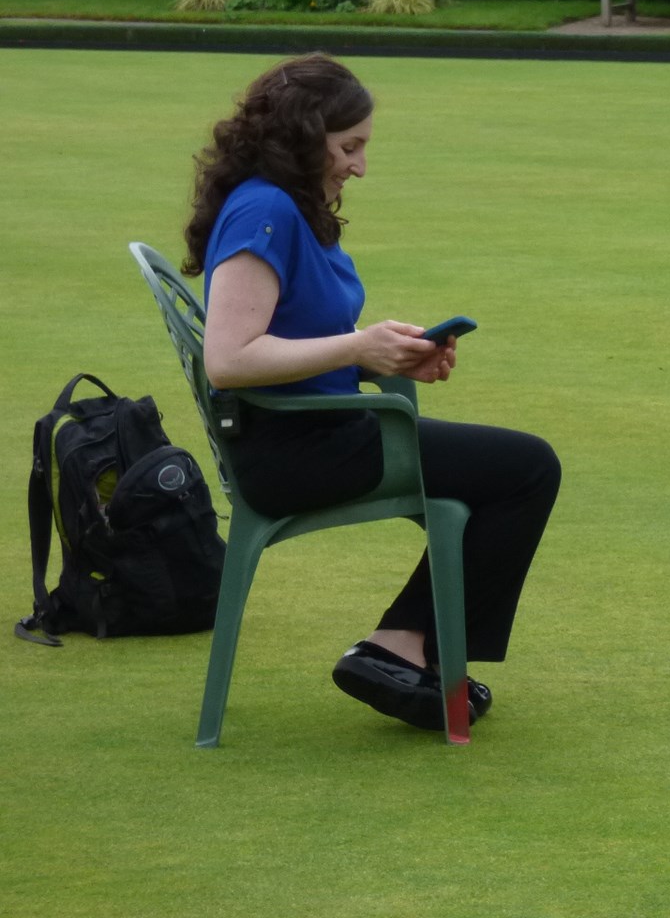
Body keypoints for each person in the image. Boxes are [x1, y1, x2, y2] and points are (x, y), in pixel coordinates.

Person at [183, 54, 561, 731]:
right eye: (349, 147)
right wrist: (359, 348)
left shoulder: (282, 202)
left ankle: (414, 652)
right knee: (528, 468)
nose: (359, 166)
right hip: (298, 452)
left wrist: (387, 357)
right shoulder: (264, 210)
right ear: (303, 136)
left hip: (320, 430)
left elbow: (299, 329)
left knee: (509, 469)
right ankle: (404, 648)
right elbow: (230, 360)